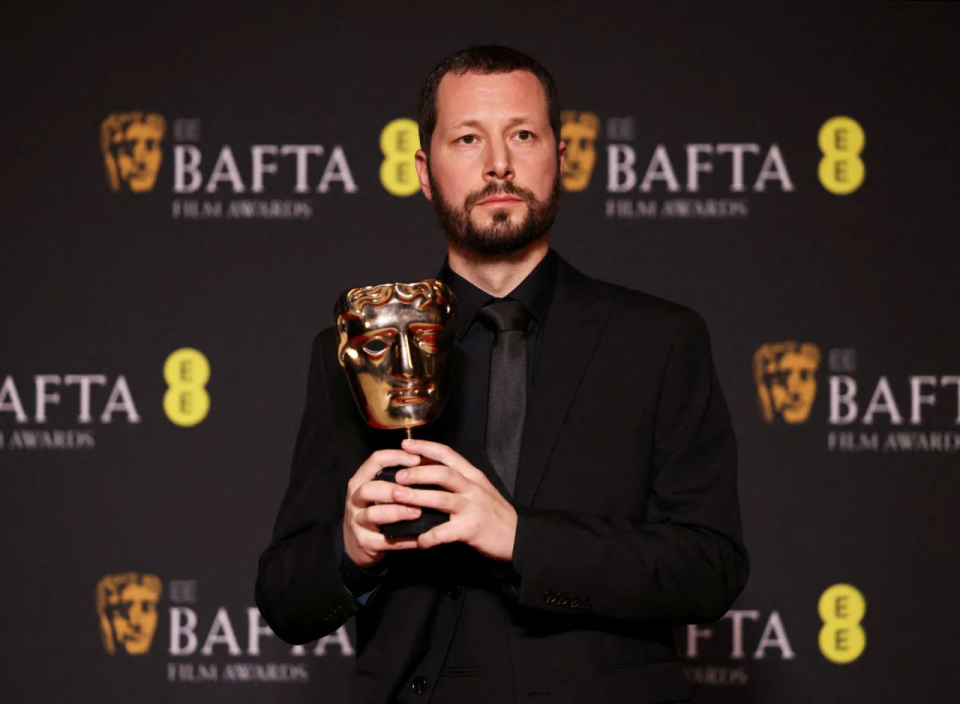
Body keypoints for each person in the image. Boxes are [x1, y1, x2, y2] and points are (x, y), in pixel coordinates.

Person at [256, 45, 748, 704]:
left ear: (561, 159)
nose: (498, 164)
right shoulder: (358, 347)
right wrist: (350, 547)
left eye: (522, 134)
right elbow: (284, 599)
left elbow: (710, 569)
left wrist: (520, 537)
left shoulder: (659, 340)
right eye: (467, 138)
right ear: (425, 173)